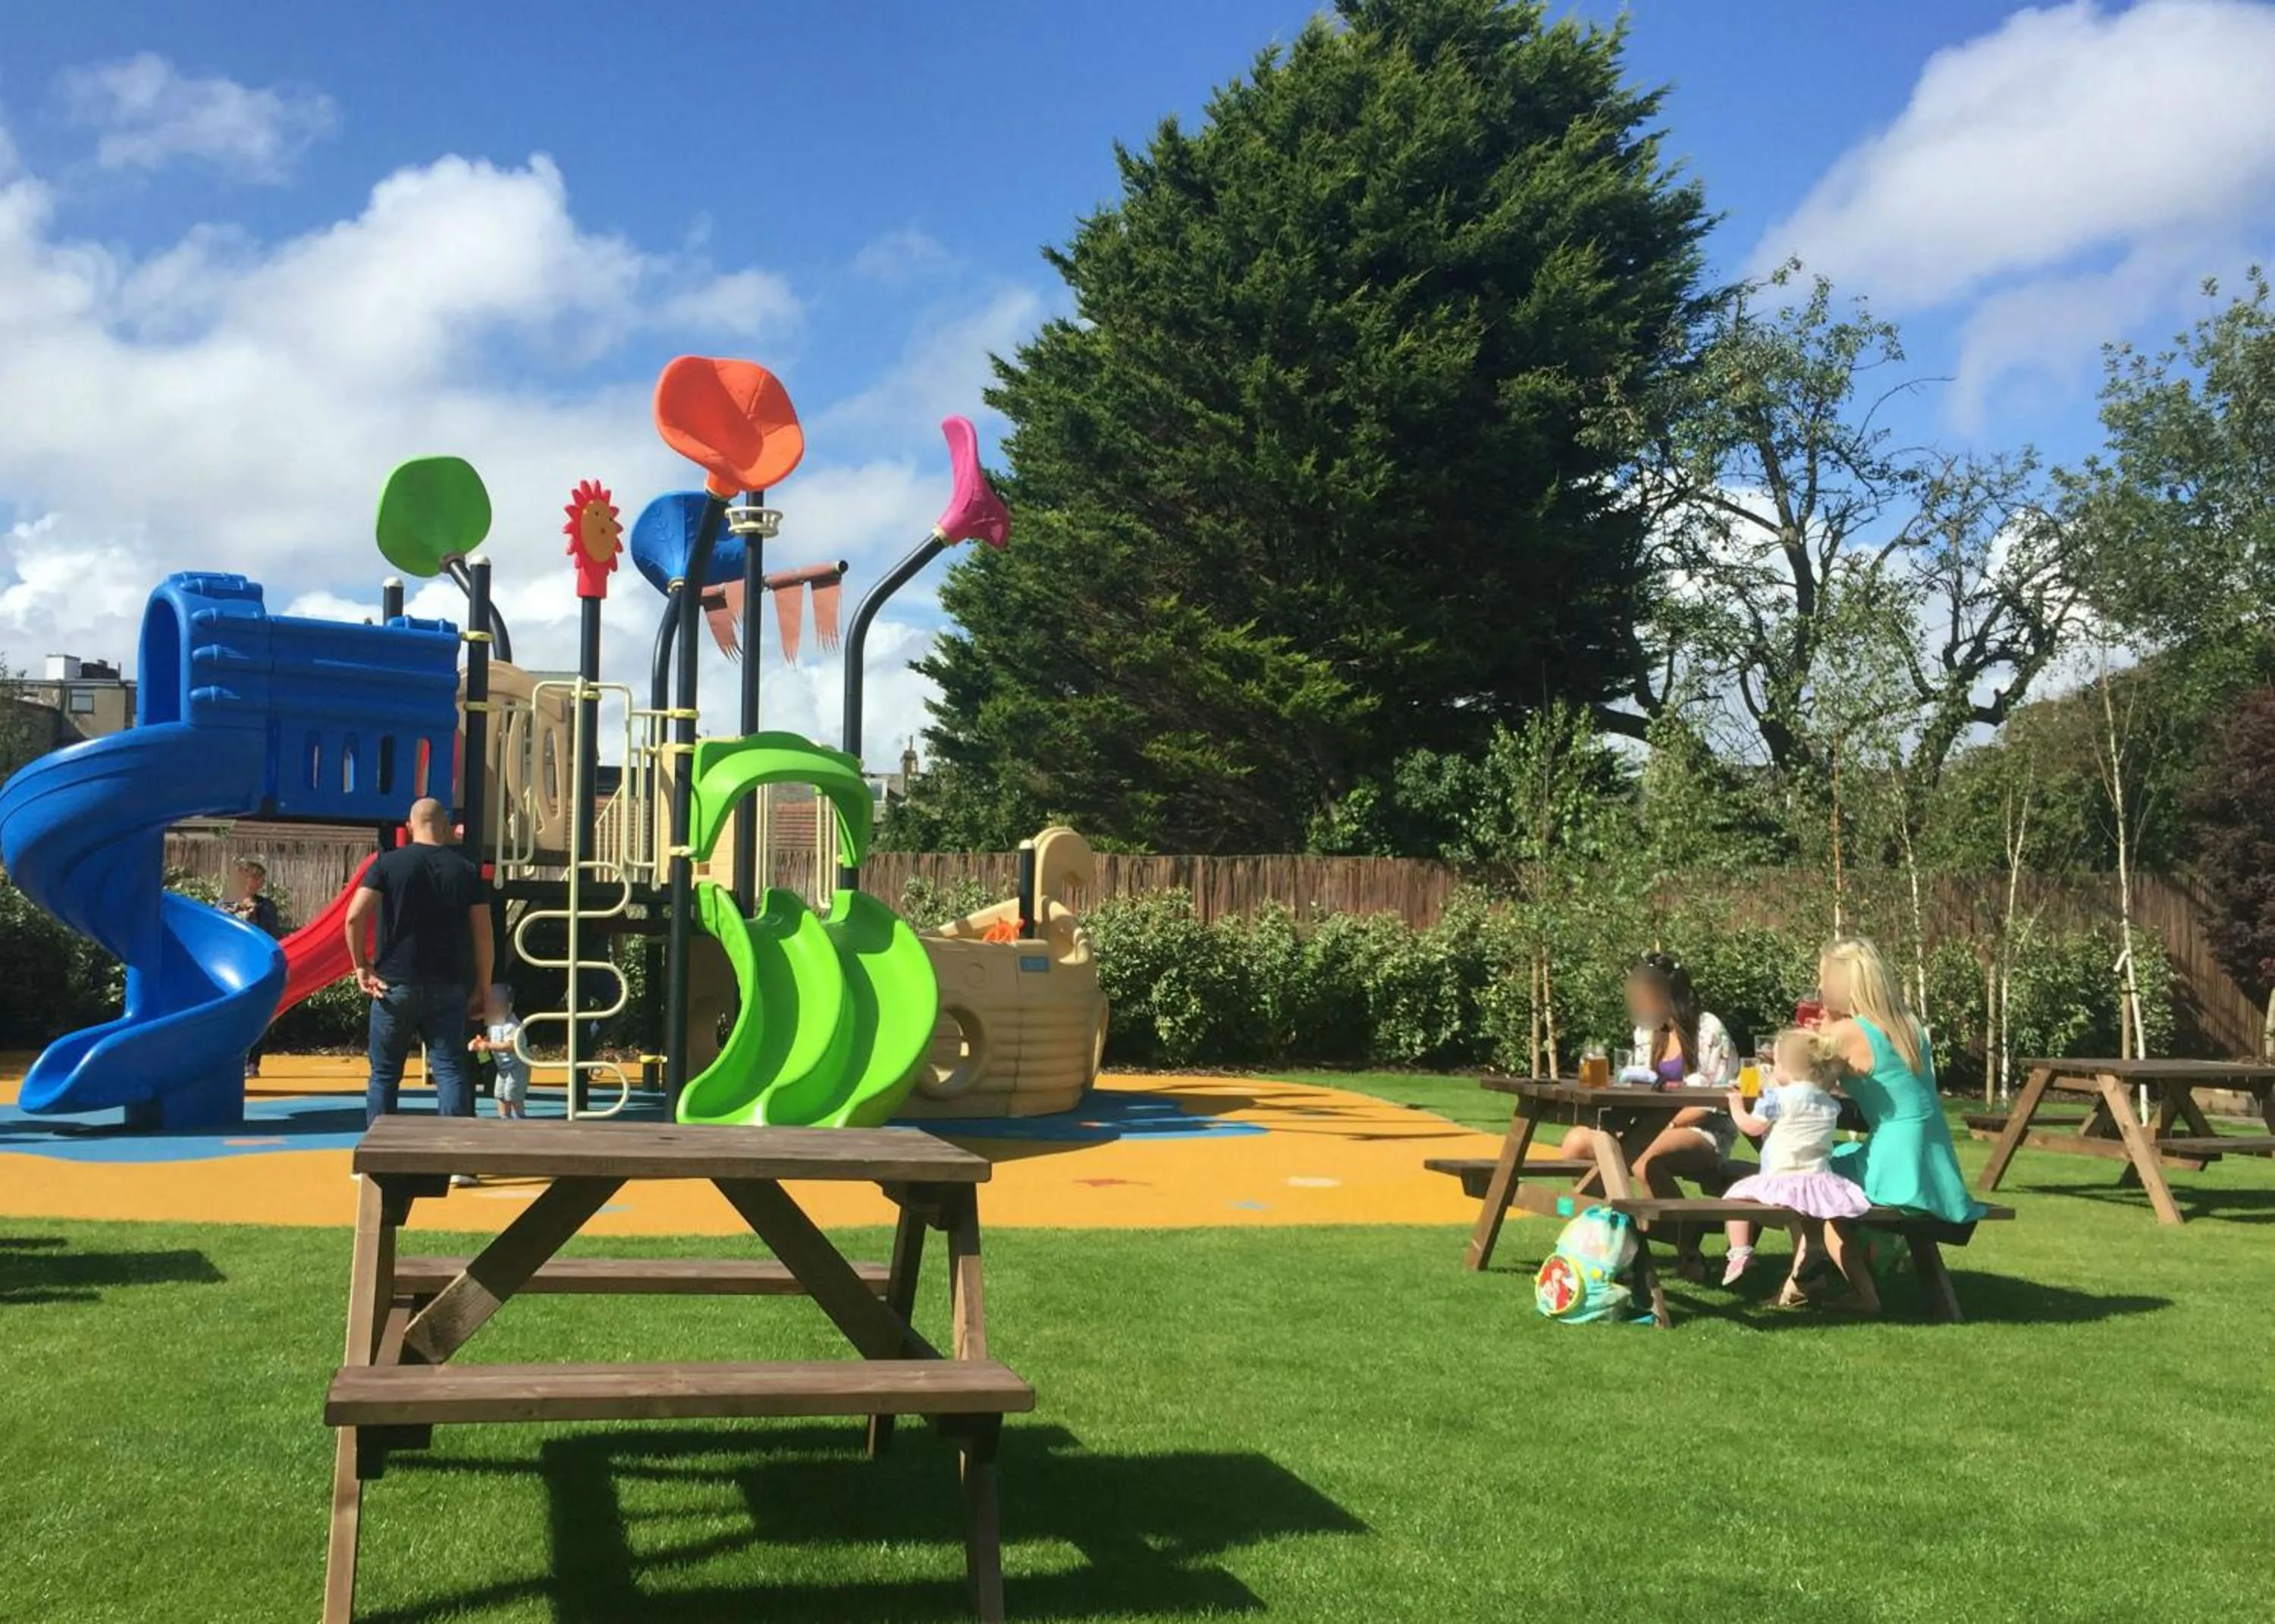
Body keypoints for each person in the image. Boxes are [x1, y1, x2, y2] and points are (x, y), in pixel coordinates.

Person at [1536, 952, 1737, 1278]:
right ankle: (1603, 1233)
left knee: (1645, 1158)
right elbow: (1637, 1084)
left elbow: (1716, 1100)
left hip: (1704, 1130)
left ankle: (1686, 1241)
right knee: (1577, 1142)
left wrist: (1667, 1124)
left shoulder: (1708, 1029)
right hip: (1645, 1127)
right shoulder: (1647, 1031)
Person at [344, 799, 492, 1162]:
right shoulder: (465, 870)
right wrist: (483, 985)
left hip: (394, 984)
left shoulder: (388, 864)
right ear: (445, 826)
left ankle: (378, 1161)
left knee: (385, 1074)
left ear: (409, 827)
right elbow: (483, 934)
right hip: (448, 985)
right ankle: (458, 1162)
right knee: (451, 1070)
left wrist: (362, 966)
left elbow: (354, 918)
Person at [1817, 936, 1983, 1230]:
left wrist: (1821, 1034)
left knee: (1802, 1178)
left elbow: (1808, 1091)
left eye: (1823, 978)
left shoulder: (1846, 1032)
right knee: (1832, 1159)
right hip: (1934, 1164)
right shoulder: (1908, 1024)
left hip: (1892, 1164)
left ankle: (1810, 1255)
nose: (1819, 987)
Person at [1720, 1027, 1872, 1294]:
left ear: (1787, 1067)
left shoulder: (1775, 1097)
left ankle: (1740, 1252)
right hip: (1818, 1181)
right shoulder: (1828, 1101)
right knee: (1809, 1210)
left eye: (1777, 1063)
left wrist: (1736, 1106)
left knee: (1734, 1197)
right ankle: (1814, 1248)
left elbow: (1753, 1128)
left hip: (1781, 1178)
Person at [225, 859, 284, 1079]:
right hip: (233, 966)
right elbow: (221, 929)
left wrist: (256, 913)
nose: (260, 883)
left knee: (259, 1015)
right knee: (234, 1016)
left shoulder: (266, 906)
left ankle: (252, 1063)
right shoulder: (226, 903)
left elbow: (274, 935)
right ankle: (232, 1060)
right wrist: (241, 912)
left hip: (259, 966)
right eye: (256, 878)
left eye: (261, 879)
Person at [468, 983, 529, 1120]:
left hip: (516, 1066)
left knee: (513, 1094)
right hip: (503, 1066)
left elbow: (510, 1045)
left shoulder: (512, 1025)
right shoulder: (495, 1022)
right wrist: (481, 1042)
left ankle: (520, 1116)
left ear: (508, 1006)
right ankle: (503, 1116)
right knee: (500, 1094)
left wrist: (487, 1046)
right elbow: (491, 1037)